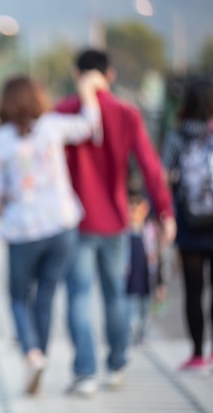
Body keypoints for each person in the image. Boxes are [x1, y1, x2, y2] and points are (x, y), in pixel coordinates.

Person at [55, 48, 176, 396]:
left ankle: (85, 372)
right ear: (110, 75)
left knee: (78, 295)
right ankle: (117, 364)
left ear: (76, 75)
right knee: (115, 295)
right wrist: (165, 211)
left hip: (75, 222)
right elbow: (151, 167)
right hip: (116, 220)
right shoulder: (126, 112)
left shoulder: (64, 111)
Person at [0, 71, 105, 395]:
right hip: (61, 226)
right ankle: (43, 355)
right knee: (46, 296)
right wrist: (88, 91)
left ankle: (32, 353)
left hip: (22, 230)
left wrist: (4, 207)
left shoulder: (0, 140)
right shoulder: (52, 126)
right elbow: (90, 125)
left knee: (18, 297)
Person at [161, 77, 213, 374]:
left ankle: (196, 354)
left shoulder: (176, 136)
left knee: (194, 290)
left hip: (191, 225)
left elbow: (164, 177)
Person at [125, 177, 167, 347]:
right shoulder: (123, 233)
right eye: (131, 207)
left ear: (145, 208)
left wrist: (160, 283)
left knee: (146, 311)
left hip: (147, 280)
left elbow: (159, 258)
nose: (134, 210)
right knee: (130, 312)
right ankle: (129, 334)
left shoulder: (151, 231)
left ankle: (143, 335)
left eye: (138, 206)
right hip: (128, 282)